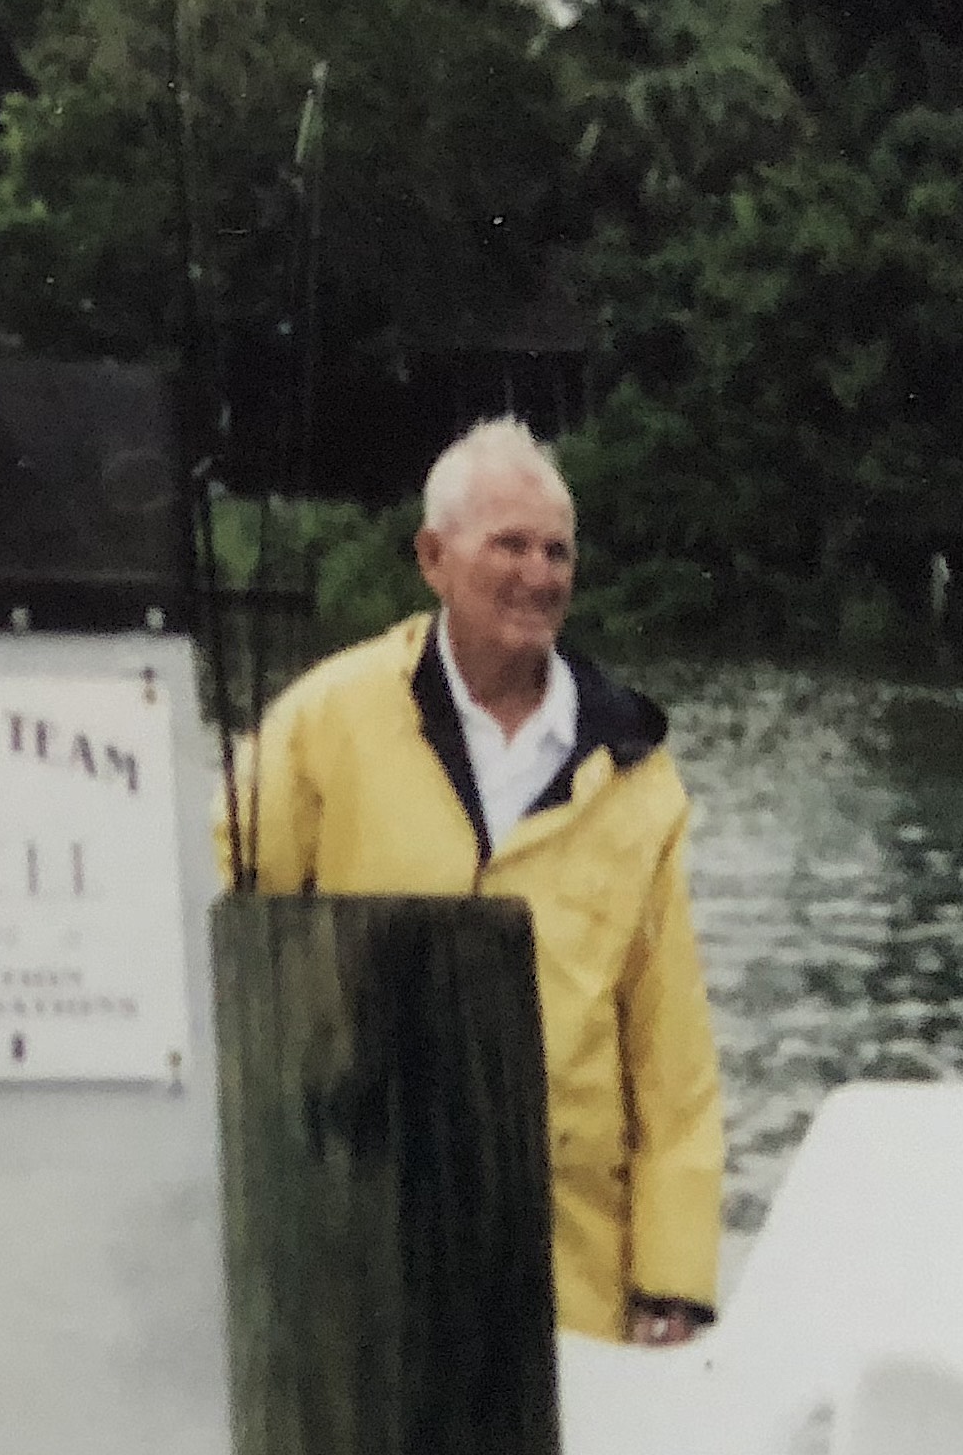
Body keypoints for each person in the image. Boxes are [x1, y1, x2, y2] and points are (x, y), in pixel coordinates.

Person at [223, 416, 726, 1345]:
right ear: (432, 556)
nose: (539, 575)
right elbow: (220, 930)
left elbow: (672, 1062)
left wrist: (673, 1281)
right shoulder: (320, 725)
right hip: (356, 1238)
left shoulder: (636, 774)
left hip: (564, 1262)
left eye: (557, 551)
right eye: (510, 545)